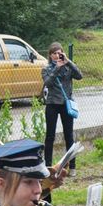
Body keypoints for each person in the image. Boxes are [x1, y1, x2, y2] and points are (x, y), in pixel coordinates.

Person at [42, 42, 83, 177]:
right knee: (50, 136)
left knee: (69, 136)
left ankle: (72, 166)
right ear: (50, 55)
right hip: (52, 104)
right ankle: (48, 166)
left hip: (66, 105)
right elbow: (48, 83)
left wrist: (68, 61)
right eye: (53, 53)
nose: (56, 56)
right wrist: (56, 68)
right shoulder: (46, 68)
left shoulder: (68, 67)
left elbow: (79, 75)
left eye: (59, 53)